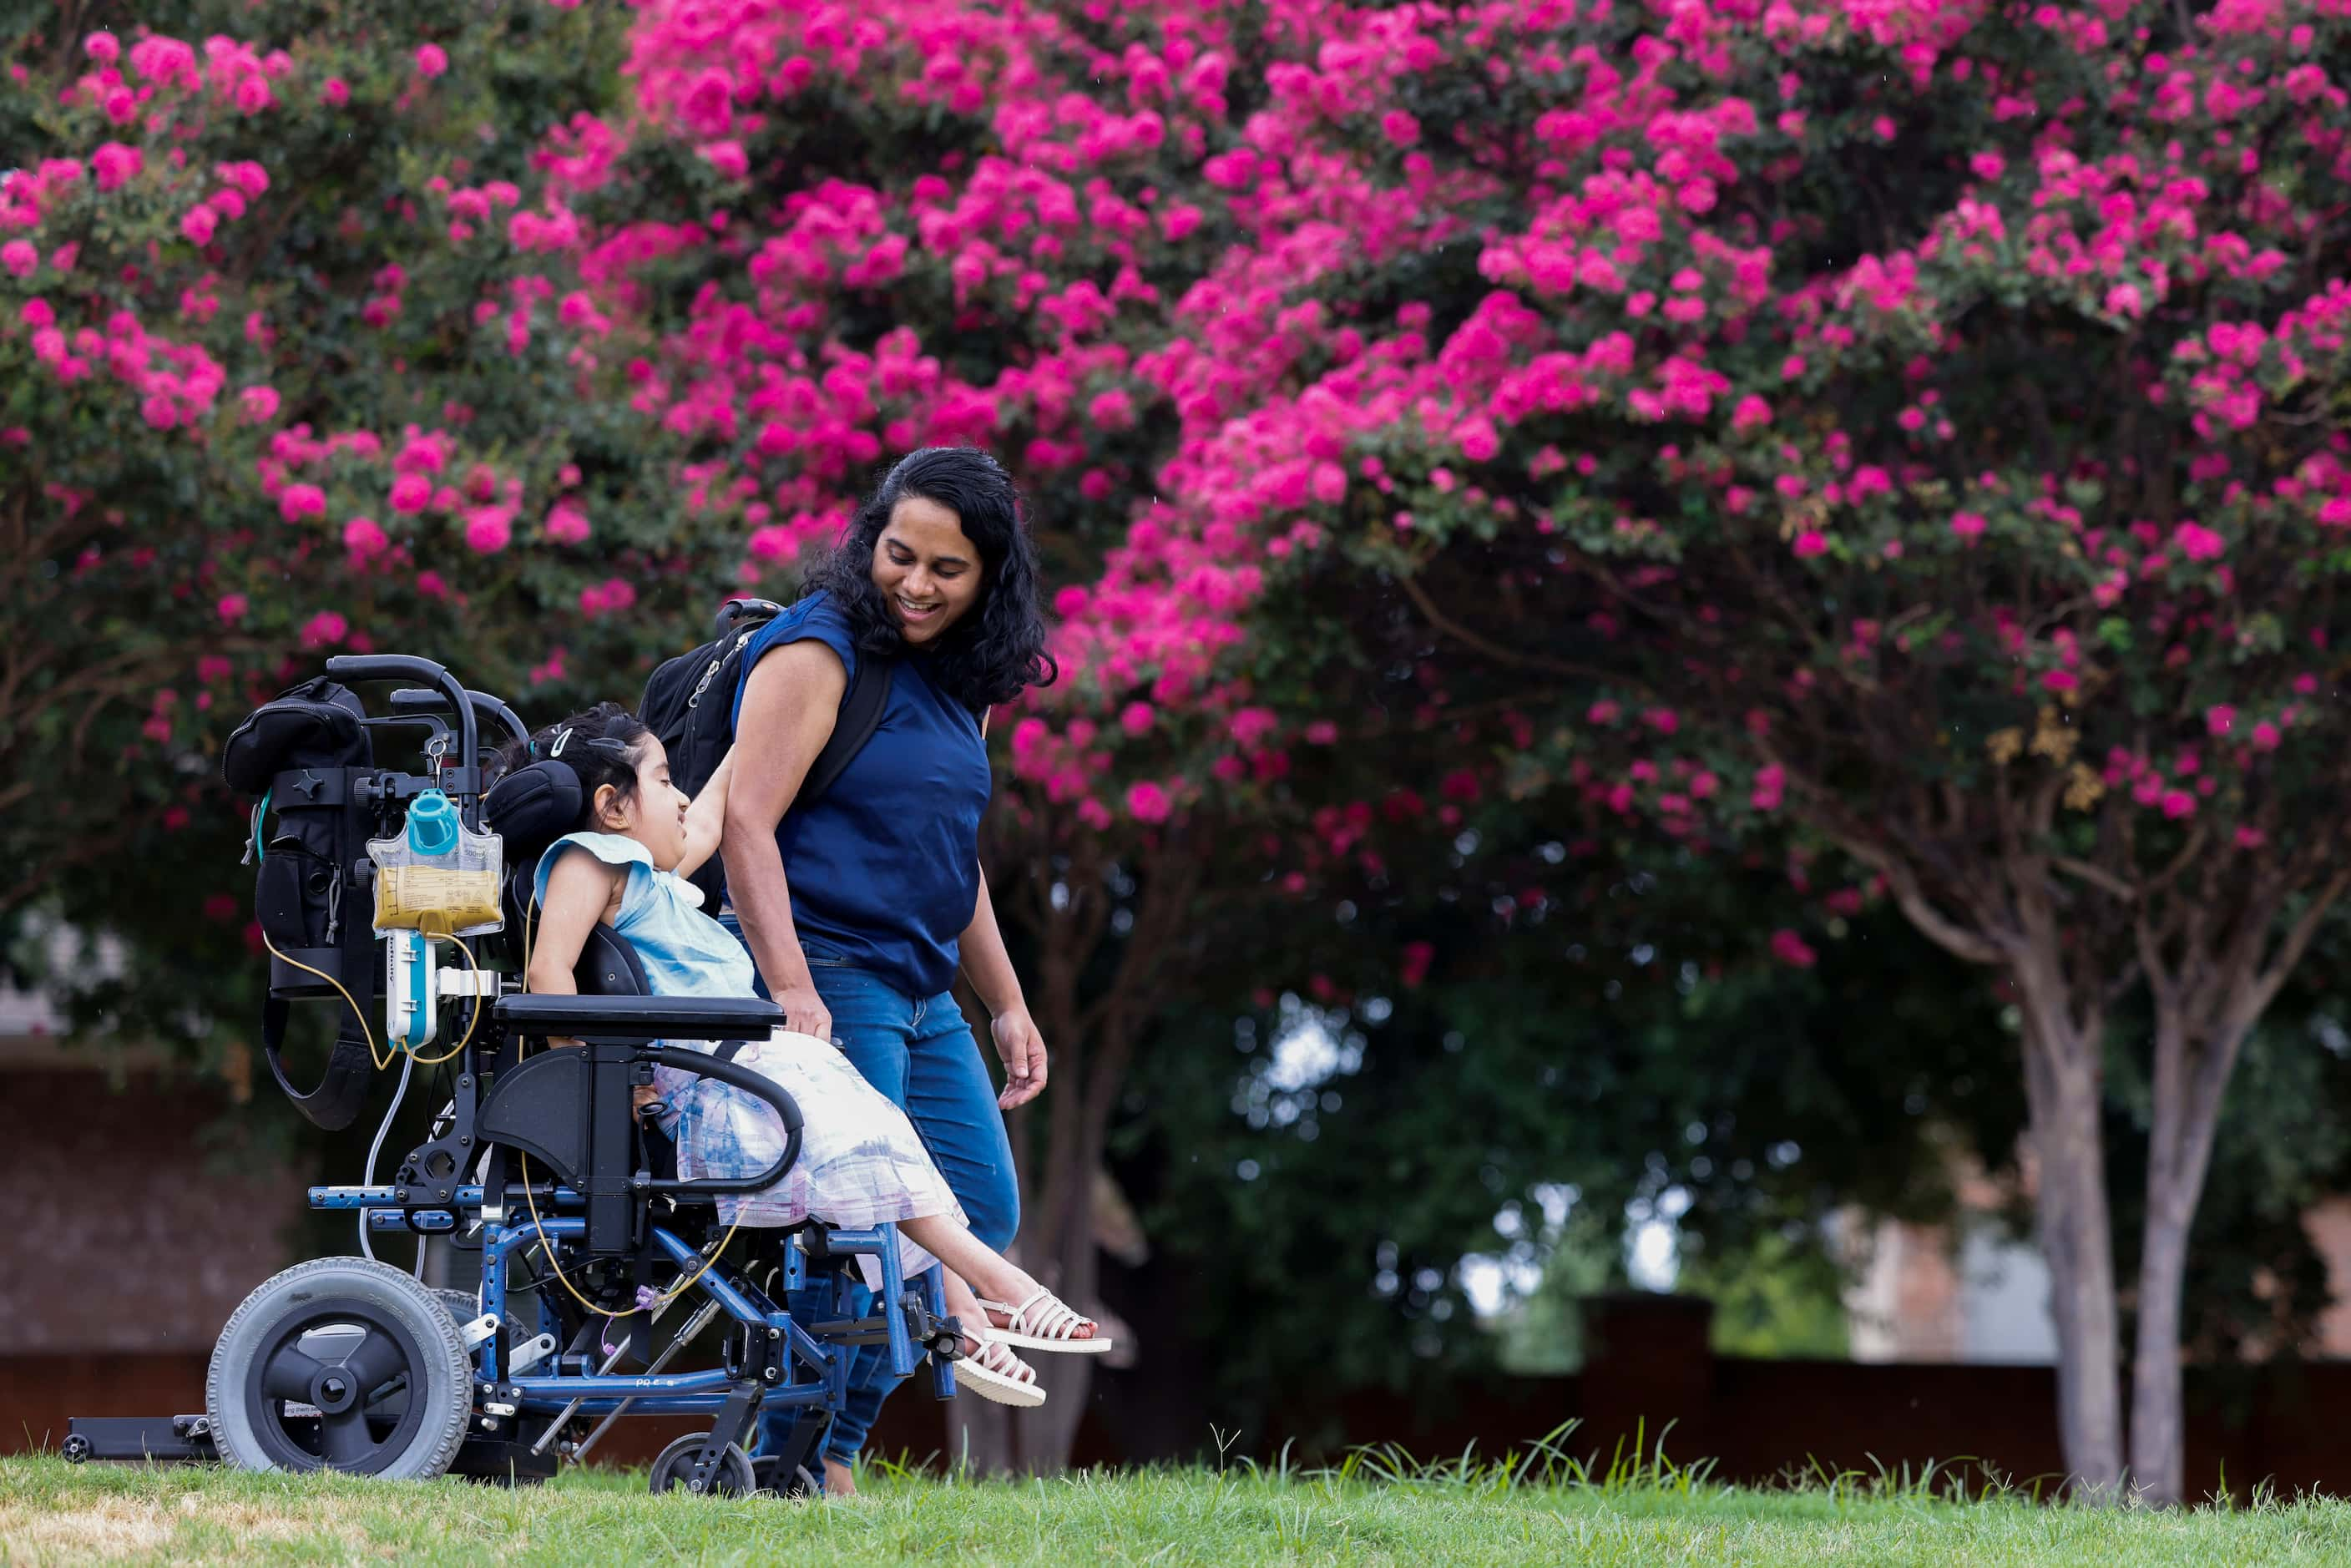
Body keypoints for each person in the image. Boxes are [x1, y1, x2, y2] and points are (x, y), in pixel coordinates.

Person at [511, 702, 1108, 1421]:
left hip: (755, 1065)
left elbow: (707, 821)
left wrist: (765, 716)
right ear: (611, 806)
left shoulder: (651, 879)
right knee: (872, 1152)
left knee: (882, 1153)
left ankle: (966, 1316)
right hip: (716, 1089)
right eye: (663, 779)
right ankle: (999, 1289)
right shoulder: (587, 861)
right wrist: (597, 1084)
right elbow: (549, 977)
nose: (678, 797)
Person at [720, 446, 1058, 1495]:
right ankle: (805, 1461)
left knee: (976, 1210)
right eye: (897, 555)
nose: (912, 584)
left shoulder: (964, 686)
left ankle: (828, 1446)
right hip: (827, 970)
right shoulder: (814, 653)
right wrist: (789, 989)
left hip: (921, 989)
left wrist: (1005, 1004)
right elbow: (745, 821)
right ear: (871, 540)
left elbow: (951, 864)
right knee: (859, 1225)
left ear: (988, 580)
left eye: (944, 571)